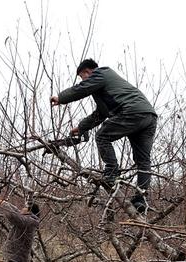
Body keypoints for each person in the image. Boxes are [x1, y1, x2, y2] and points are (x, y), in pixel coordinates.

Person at [50, 59, 157, 212]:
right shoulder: (106, 88)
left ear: (88, 71)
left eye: (82, 76)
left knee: (102, 136)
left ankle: (112, 172)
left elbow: (82, 89)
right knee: (143, 160)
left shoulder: (102, 73)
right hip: (148, 116)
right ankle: (141, 198)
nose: (83, 80)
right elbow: (101, 114)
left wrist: (61, 98)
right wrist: (81, 128)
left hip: (132, 112)